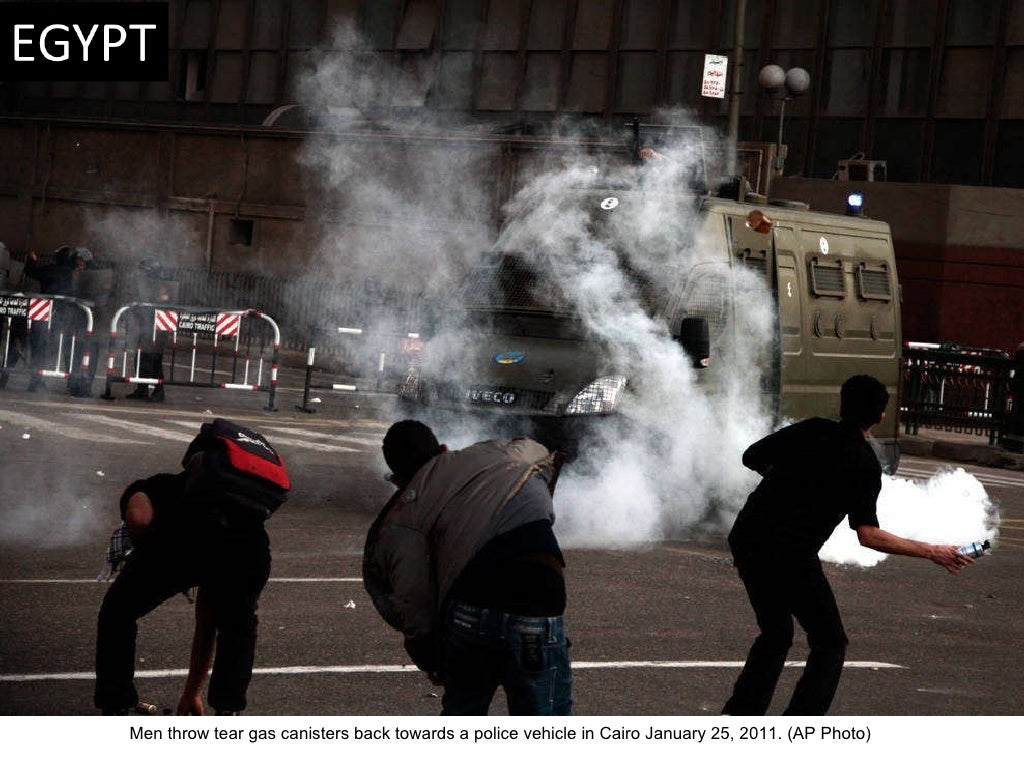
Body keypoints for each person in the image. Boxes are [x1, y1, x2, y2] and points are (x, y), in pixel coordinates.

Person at [722, 374, 975, 716]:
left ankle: (739, 716)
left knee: (776, 634)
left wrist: (786, 479)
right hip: (791, 556)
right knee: (829, 642)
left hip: (748, 539)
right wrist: (932, 551)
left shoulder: (811, 428)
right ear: (880, 416)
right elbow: (868, 535)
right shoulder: (864, 463)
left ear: (842, 405)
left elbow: (751, 456)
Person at [363, 420, 573, 715]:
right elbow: (537, 451)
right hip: (537, 599)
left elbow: (412, 596)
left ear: (397, 480)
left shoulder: (406, 511)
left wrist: (430, 658)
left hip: (469, 611)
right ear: (443, 449)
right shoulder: (493, 454)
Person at [94, 421, 277, 716]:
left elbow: (139, 518)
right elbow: (207, 623)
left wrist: (146, 552)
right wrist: (192, 693)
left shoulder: (160, 486)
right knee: (237, 628)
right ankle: (227, 712)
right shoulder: (241, 510)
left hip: (181, 544)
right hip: (249, 552)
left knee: (118, 611)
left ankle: (115, 704)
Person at [23, 245, 92, 393]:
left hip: (50, 314)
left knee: (41, 347)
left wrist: (32, 260)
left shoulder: (54, 270)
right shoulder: (73, 273)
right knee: (63, 348)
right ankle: (71, 383)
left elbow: (32, 272)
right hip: (64, 316)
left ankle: (36, 381)